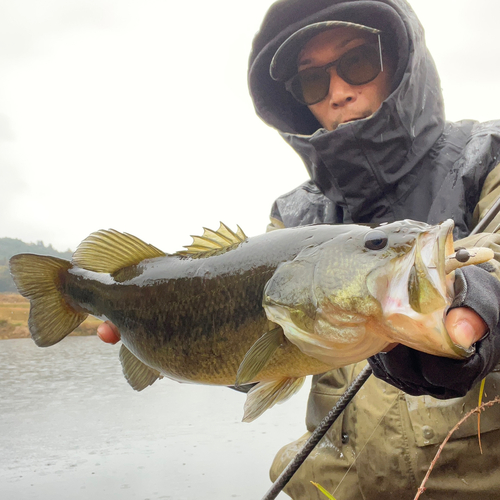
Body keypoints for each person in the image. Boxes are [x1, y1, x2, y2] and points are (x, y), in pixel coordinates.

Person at [98, 0, 500, 498]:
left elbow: (493, 256)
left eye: (357, 62)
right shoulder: (293, 217)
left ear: (400, 60)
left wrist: (480, 294)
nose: (337, 92)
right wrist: (166, 337)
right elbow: (256, 361)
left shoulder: (488, 155)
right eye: (312, 81)